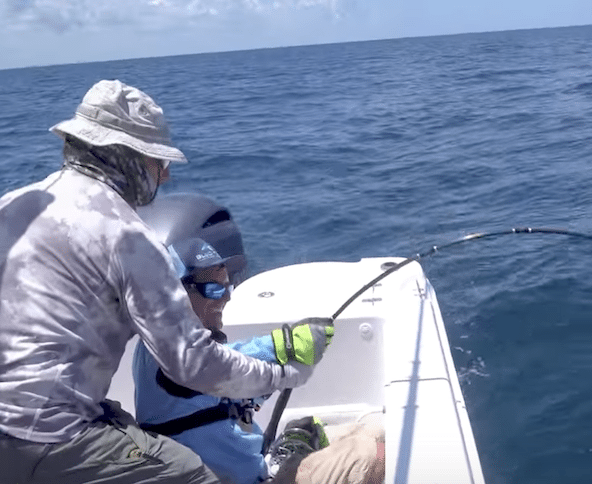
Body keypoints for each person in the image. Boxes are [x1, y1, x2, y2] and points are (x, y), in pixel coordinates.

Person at [0, 79, 332, 483]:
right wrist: (286, 376)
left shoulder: (14, 206)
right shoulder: (126, 234)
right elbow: (193, 365)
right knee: (193, 474)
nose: (167, 175)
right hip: (47, 436)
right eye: (158, 161)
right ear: (126, 159)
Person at [134, 237, 385, 484]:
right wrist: (285, 345)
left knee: (377, 428)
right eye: (214, 289)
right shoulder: (162, 353)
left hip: (260, 465)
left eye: (227, 285)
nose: (227, 297)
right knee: (371, 456)